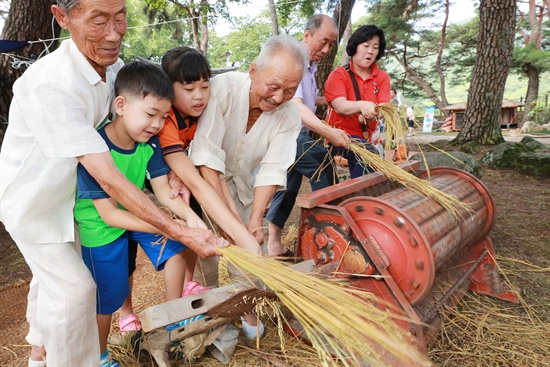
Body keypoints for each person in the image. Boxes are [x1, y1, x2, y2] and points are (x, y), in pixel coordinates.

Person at [0, 1, 225, 366]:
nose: (114, 32)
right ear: (62, 17)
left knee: (51, 281)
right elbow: (108, 176)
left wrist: (170, 189)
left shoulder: (114, 69)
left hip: (73, 200)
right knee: (76, 291)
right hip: (35, 206)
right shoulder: (50, 85)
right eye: (99, 20)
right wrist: (177, 229)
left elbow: (135, 136)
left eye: (119, 17)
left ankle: (38, 350)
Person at [116, 47, 263, 336]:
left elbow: (207, 172)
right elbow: (194, 180)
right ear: (169, 91)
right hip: (146, 185)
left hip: (179, 180)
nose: (199, 95)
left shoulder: (203, 114)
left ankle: (186, 285)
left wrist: (235, 229)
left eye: (205, 87)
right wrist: (242, 237)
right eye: (189, 88)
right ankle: (127, 312)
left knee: (192, 219)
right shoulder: (165, 122)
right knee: (128, 254)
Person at [75, 60, 211, 367]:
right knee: (108, 297)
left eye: (164, 117)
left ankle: (174, 320)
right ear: (121, 105)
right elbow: (109, 215)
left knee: (176, 250)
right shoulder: (95, 148)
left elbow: (164, 192)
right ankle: (101, 356)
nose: (157, 125)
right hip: (101, 226)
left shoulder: (149, 142)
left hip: (137, 211)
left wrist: (192, 221)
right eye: (151, 114)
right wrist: (165, 226)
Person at [188, 34, 308, 336]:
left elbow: (272, 169)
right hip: (201, 187)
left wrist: (254, 220)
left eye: (290, 90)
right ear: (254, 70)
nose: (279, 97)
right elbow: (206, 158)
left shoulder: (290, 115)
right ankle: (209, 322)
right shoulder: (223, 89)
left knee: (251, 257)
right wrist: (227, 224)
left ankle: (249, 316)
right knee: (207, 261)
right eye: (274, 86)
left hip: (242, 191)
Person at [265, 14, 348, 258]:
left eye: (331, 44)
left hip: (292, 134)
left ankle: (273, 245)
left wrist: (329, 102)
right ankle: (324, 235)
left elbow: (309, 103)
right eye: (323, 41)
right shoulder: (294, 62)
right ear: (307, 34)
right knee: (323, 162)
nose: (326, 49)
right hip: (283, 131)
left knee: (286, 185)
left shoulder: (310, 68)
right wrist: (328, 132)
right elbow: (297, 108)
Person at [325, 25, 391, 178]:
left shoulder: (382, 77)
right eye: (366, 46)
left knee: (369, 159)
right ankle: (358, 196)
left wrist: (373, 115)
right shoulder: (339, 75)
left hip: (368, 139)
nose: (370, 51)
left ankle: (357, 195)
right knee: (367, 155)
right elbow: (340, 106)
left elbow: (383, 107)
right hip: (340, 137)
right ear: (355, 46)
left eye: (375, 47)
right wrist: (361, 105)